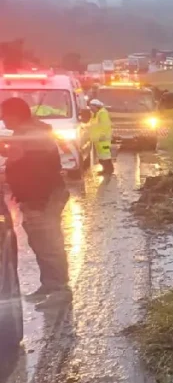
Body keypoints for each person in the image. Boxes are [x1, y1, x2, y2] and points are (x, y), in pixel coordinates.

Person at [0, 97, 71, 305]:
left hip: (42, 198)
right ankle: (49, 284)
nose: (3, 121)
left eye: (4, 116)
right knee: (39, 242)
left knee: (48, 243)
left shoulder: (29, 134)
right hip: (39, 196)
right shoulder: (30, 131)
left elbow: (18, 162)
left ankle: (60, 290)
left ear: (15, 115)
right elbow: (19, 156)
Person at [88, 98, 114, 174]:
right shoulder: (95, 114)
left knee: (106, 155)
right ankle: (105, 170)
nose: (91, 109)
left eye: (92, 107)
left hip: (104, 140)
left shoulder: (102, 113)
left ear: (96, 106)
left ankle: (109, 170)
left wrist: (102, 135)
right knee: (101, 156)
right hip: (98, 140)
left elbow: (105, 125)